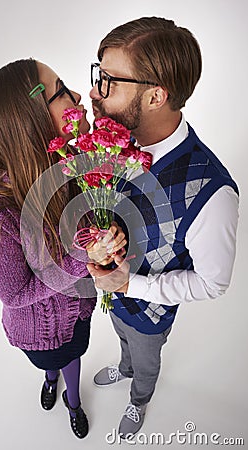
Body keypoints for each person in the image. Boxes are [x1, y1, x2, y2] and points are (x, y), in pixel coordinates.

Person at [87, 17, 239, 438]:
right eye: (98, 76)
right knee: (121, 336)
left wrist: (129, 285)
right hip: (114, 300)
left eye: (109, 82)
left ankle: (140, 397)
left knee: (146, 356)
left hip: (151, 313)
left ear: (156, 95)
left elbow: (213, 284)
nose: (94, 95)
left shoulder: (213, 193)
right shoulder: (113, 142)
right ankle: (123, 366)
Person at [0, 58, 125, 439]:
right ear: (31, 120)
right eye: (60, 92)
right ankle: (51, 380)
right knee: (52, 360)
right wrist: (80, 260)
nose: (76, 95)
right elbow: (14, 293)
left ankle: (73, 401)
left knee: (74, 357)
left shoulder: (74, 168)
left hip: (79, 316)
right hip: (36, 330)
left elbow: (91, 230)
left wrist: (109, 239)